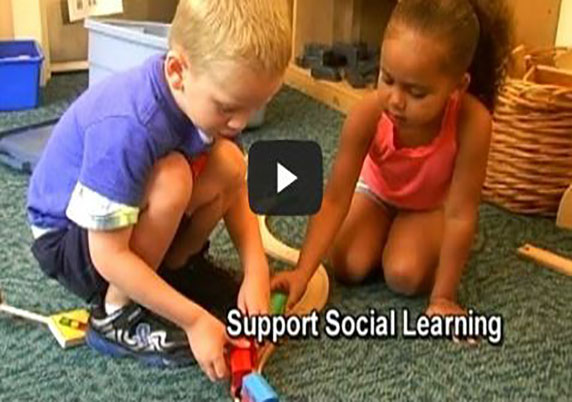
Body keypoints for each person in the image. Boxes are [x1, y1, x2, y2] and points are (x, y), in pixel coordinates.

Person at [27, 0, 291, 380]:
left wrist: (256, 271)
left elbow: (234, 186)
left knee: (230, 160)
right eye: (229, 108)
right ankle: (116, 315)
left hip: (123, 221)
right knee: (173, 179)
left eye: (255, 107)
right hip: (70, 240)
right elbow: (108, 255)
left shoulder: (201, 96)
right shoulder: (128, 125)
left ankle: (176, 271)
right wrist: (194, 320)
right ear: (177, 71)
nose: (240, 121)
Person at [272, 0, 512, 320]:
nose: (396, 101)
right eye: (387, 79)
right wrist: (303, 272)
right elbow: (334, 199)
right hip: (377, 192)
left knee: (404, 273)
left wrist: (443, 297)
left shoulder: (474, 123)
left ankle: (411, 237)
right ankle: (388, 229)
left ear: (458, 87)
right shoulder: (366, 116)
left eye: (416, 93)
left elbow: (461, 214)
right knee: (349, 264)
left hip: (430, 206)